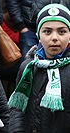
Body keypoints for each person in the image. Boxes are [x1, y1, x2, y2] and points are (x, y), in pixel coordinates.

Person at [8, 3, 70, 133]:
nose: (54, 38)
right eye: (47, 31)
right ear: (38, 35)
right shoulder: (28, 67)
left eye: (62, 31)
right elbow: (17, 108)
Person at [5, 0, 70, 63]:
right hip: (29, 27)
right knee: (27, 61)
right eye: (47, 32)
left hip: (63, 19)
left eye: (61, 32)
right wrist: (21, 25)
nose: (54, 37)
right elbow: (12, 2)